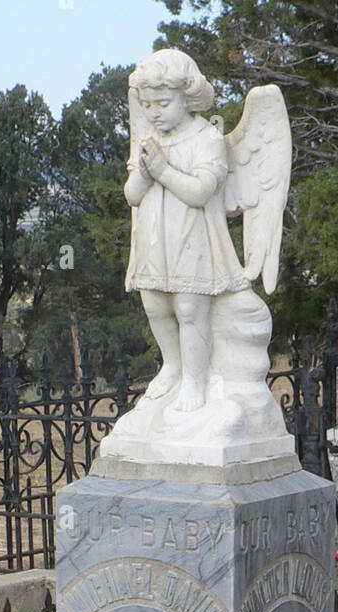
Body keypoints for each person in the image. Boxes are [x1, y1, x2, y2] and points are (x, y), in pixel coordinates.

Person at [124, 49, 249, 414]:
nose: (153, 112)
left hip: (190, 237)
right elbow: (131, 194)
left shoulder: (206, 138)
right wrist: (144, 174)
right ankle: (172, 366)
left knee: (190, 306)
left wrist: (161, 171)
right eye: (147, 105)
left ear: (188, 97)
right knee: (155, 303)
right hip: (153, 236)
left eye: (162, 103)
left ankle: (196, 380)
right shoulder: (147, 137)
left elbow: (199, 192)